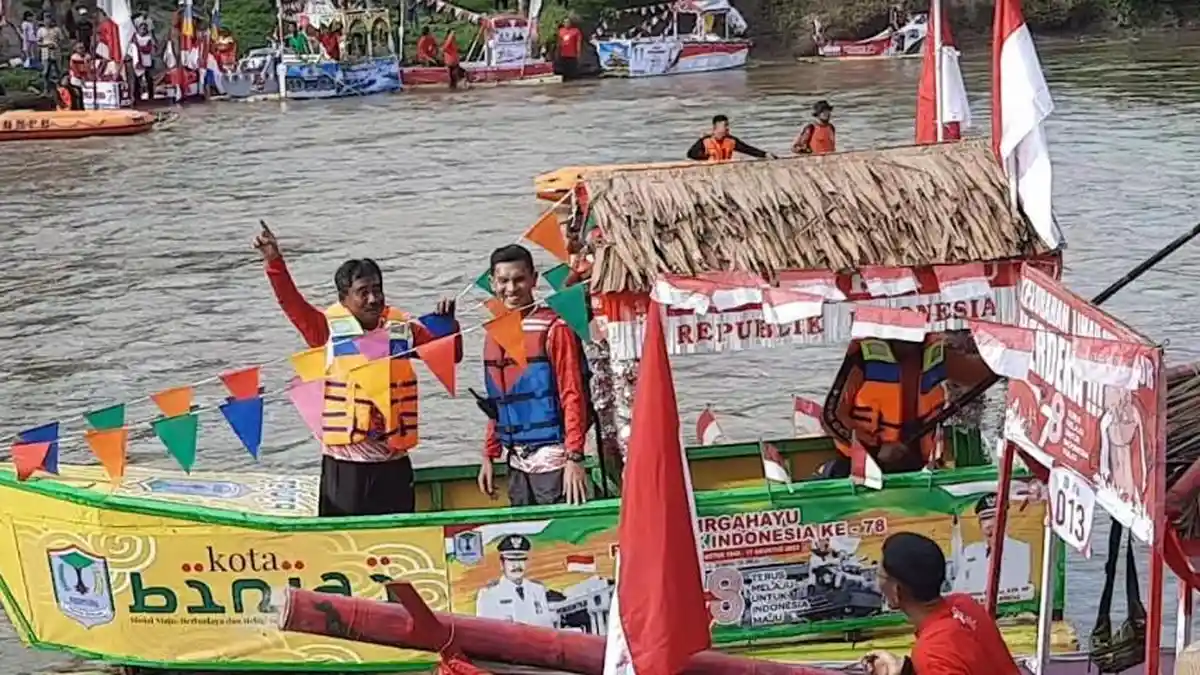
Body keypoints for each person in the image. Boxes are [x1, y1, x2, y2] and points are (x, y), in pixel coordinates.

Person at [252, 223, 462, 516]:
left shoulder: (401, 330)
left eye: (377, 290)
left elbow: (450, 357)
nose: (373, 299)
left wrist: (450, 327)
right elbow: (292, 303)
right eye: (363, 292)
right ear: (344, 299)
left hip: (394, 461)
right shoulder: (325, 331)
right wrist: (274, 262)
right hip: (347, 465)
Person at [475, 244, 591, 507]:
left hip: (554, 456)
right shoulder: (495, 333)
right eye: (503, 281)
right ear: (492, 283)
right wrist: (489, 454)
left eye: (519, 279)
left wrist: (574, 457)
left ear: (533, 280)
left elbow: (572, 394)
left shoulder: (555, 328)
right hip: (515, 459)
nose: (511, 288)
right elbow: (498, 402)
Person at [817, 333, 992, 478]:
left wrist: (1010, 357)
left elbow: (976, 372)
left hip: (917, 463)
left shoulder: (935, 354)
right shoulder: (862, 356)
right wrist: (875, 448)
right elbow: (830, 416)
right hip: (861, 464)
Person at [862, 532, 1020, 675]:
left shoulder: (931, 653)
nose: (877, 583)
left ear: (897, 592)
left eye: (879, 575)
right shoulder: (964, 604)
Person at [950, 493, 1032, 597]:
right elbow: (958, 589)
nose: (989, 525)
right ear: (980, 524)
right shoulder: (970, 552)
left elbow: (1015, 588)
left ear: (1005, 520)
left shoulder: (1021, 550)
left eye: (995, 517)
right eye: (985, 518)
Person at [475, 534, 556, 627]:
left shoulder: (537, 590)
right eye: (511, 561)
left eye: (521, 560)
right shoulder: (488, 594)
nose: (517, 566)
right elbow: (486, 633)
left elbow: (547, 627)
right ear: (502, 564)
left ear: (526, 562)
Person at [686, 114, 775, 162]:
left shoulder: (731, 140)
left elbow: (748, 149)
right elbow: (691, 154)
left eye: (728, 125)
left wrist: (765, 154)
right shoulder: (705, 140)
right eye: (725, 125)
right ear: (716, 127)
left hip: (725, 168)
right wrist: (706, 157)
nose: (727, 128)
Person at [37, 16, 63, 93]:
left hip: (56, 53)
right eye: (46, 20)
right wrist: (46, 45)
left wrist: (56, 45)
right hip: (45, 53)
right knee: (45, 72)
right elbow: (38, 42)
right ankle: (46, 88)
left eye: (49, 20)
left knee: (58, 71)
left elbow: (61, 40)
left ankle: (60, 87)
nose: (47, 22)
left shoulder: (57, 30)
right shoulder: (41, 30)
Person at [131, 20, 155, 101]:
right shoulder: (135, 37)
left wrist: (139, 47)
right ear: (138, 29)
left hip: (147, 61)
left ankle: (150, 96)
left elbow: (149, 48)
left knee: (149, 79)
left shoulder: (149, 38)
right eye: (142, 28)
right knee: (137, 79)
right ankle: (137, 96)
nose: (143, 30)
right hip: (138, 61)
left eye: (145, 28)